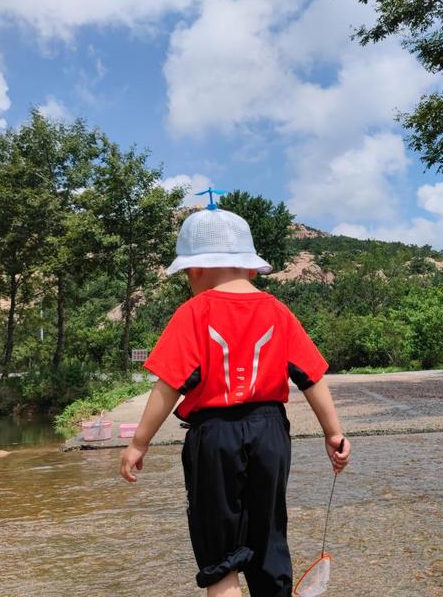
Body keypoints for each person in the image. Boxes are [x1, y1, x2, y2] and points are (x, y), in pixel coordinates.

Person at [119, 203, 350, 597]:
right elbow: (312, 378)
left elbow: (168, 386)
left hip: (215, 435)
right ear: (249, 266)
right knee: (268, 533)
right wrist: (334, 434)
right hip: (271, 432)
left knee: (220, 551)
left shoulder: (194, 312)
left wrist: (139, 442)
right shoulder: (278, 311)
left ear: (195, 269)